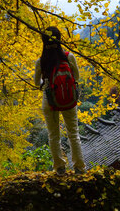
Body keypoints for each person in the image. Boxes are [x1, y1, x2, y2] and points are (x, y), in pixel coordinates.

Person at [34, 26, 86, 175]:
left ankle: (60, 167)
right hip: (68, 98)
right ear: (59, 39)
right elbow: (76, 77)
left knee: (53, 135)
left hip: (49, 100)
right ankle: (79, 167)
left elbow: (37, 83)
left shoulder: (41, 61)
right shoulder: (68, 57)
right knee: (73, 133)